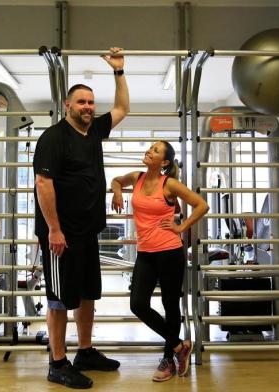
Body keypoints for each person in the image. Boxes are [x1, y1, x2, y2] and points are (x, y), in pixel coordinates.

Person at [33, 47, 130, 389]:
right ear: (67, 107)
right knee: (60, 299)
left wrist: (118, 72)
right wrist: (54, 230)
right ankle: (58, 363)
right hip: (62, 237)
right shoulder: (54, 138)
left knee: (87, 293)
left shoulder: (93, 132)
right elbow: (43, 183)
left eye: (91, 102)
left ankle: (85, 351)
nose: (88, 107)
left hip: (88, 233)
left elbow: (122, 108)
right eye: (81, 102)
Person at [111, 141, 209, 382]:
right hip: (145, 253)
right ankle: (179, 346)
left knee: (170, 305)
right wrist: (117, 192)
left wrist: (181, 227)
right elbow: (116, 180)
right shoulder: (137, 177)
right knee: (138, 304)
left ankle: (168, 359)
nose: (149, 151)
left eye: (155, 150)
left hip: (169, 251)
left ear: (164, 162)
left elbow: (201, 205)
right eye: (150, 148)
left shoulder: (170, 184)